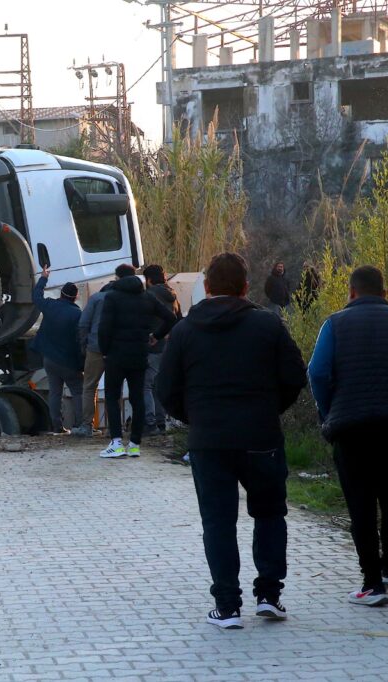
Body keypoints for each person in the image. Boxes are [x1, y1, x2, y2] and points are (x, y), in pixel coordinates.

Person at [157, 252, 307, 630]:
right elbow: (295, 376)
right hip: (261, 436)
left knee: (218, 522)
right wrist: (270, 408)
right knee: (270, 513)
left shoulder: (186, 331)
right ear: (245, 287)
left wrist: (195, 418)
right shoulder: (268, 325)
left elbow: (164, 388)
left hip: (209, 442)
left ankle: (227, 607)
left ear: (207, 288)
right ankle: (269, 596)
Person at [308, 265, 388, 607]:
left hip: (350, 427)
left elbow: (317, 372)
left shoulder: (334, 324)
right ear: (385, 293)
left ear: (351, 293)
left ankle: (370, 585)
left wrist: (328, 410)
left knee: (361, 504)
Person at [97, 263, 177, 459]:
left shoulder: (112, 297)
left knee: (112, 397)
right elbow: (170, 318)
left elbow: (104, 328)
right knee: (137, 398)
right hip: (140, 354)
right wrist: (156, 336)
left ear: (118, 279)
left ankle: (116, 442)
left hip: (116, 355)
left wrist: (104, 351)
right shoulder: (147, 297)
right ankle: (134, 444)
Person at [31, 265, 84, 434]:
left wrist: (44, 277)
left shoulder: (50, 306)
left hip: (49, 360)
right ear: (75, 298)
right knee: (78, 391)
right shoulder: (77, 315)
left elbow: (36, 296)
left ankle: (57, 427)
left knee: (55, 392)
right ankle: (80, 426)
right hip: (68, 362)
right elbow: (81, 340)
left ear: (61, 294)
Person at [142, 264, 183, 435]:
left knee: (146, 385)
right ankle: (161, 422)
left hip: (153, 346)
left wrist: (155, 335)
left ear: (149, 280)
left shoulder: (149, 295)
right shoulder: (173, 295)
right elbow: (179, 319)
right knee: (159, 385)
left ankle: (150, 423)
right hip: (169, 346)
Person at [75, 279, 115, 438]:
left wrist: (84, 345)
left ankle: (87, 426)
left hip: (95, 348)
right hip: (115, 350)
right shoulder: (120, 299)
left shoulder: (96, 298)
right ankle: (113, 428)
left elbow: (83, 324)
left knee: (90, 386)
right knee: (114, 388)